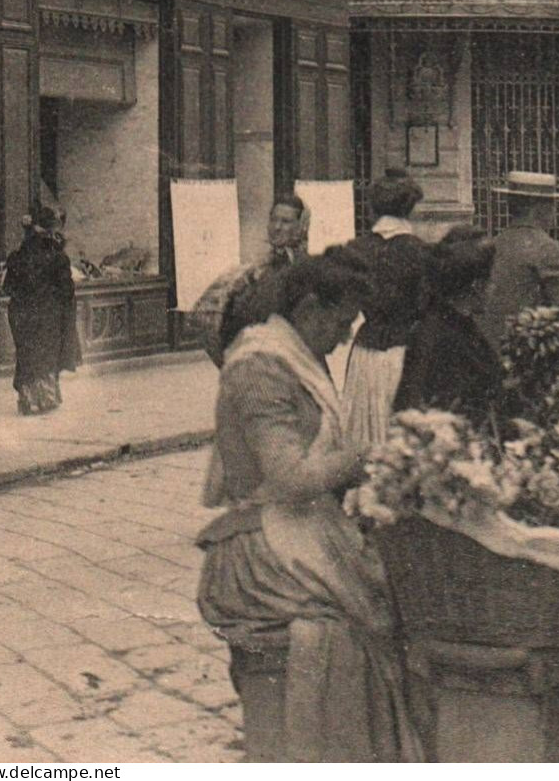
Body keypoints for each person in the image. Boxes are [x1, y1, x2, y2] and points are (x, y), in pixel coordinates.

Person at [196, 247, 423, 762]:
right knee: (351, 636)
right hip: (266, 548)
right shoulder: (259, 368)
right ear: (309, 309)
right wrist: (370, 454)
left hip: (302, 532)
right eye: (341, 322)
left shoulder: (296, 356)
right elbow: (290, 477)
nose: (346, 336)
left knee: (383, 624)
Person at [342, 171, 431, 451]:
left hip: (366, 353)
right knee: (403, 443)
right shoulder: (422, 252)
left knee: (364, 439)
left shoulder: (356, 249)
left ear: (373, 208)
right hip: (406, 354)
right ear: (410, 208)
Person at [394, 227, 506, 435]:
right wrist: (511, 429)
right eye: (490, 281)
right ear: (476, 286)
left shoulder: (451, 323)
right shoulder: (444, 336)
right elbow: (456, 417)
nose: (494, 288)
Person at [480, 171, 559, 346]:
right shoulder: (546, 247)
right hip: (523, 348)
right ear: (540, 208)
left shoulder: (495, 243)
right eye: (552, 205)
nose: (554, 212)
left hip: (490, 345)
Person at [213, 195, 313, 365]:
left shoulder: (306, 269)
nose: (277, 227)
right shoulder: (257, 267)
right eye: (273, 220)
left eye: (286, 221)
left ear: (301, 227)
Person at [2, 203, 79, 415]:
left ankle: (28, 400)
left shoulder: (17, 257)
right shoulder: (57, 258)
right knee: (46, 355)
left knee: (26, 355)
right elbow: (67, 290)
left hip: (21, 314)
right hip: (47, 314)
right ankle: (45, 399)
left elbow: (7, 287)